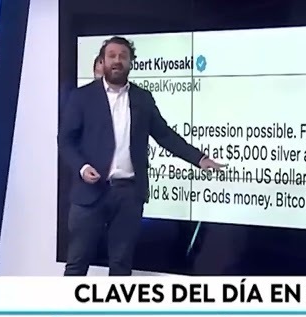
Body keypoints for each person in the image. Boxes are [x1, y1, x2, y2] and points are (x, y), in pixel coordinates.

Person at [58, 36, 225, 277]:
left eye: (123, 56)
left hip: (128, 195)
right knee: (77, 264)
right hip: (89, 194)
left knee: (121, 265)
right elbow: (66, 140)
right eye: (112, 56)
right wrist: (82, 167)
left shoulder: (142, 98)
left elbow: (164, 135)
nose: (117, 61)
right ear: (102, 61)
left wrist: (199, 159)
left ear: (131, 62)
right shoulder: (82, 97)